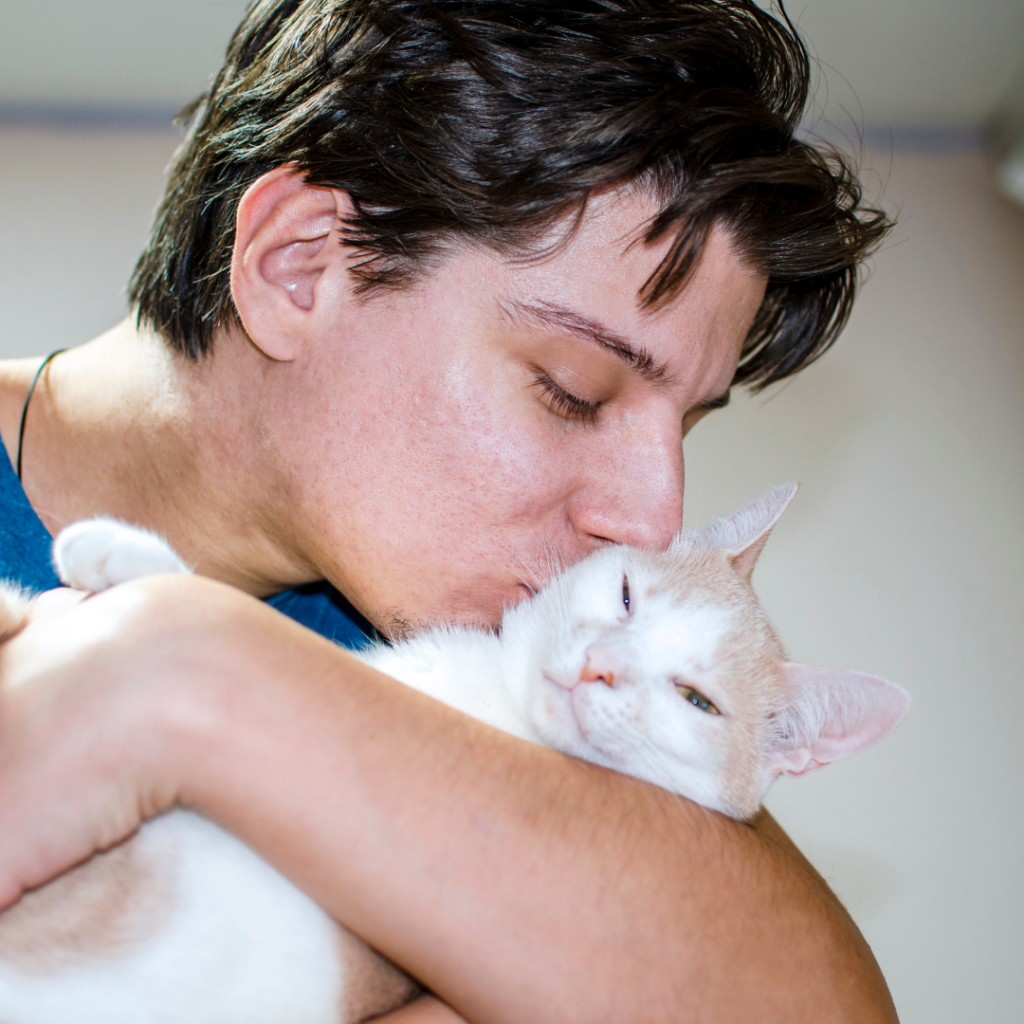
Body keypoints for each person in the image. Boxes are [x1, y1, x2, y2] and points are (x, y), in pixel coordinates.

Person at [0, 1, 894, 1020]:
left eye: (683, 427)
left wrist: (191, 668)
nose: (652, 519)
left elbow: (817, 1001)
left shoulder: (487, 628)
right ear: (298, 268)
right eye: (572, 388)